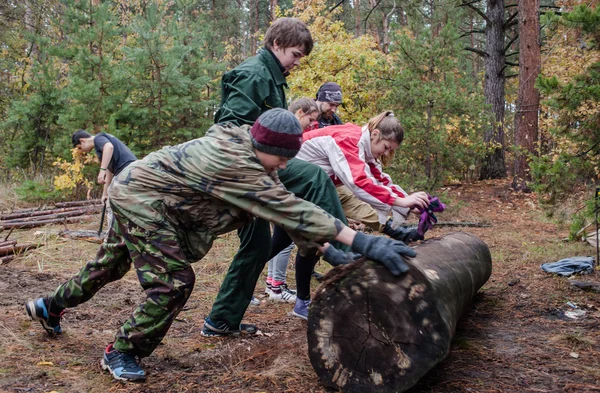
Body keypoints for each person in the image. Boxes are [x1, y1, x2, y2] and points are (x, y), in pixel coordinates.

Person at [25, 109, 417, 382]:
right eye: (281, 158)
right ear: (266, 146)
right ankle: (122, 350)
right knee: (174, 282)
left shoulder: (254, 152)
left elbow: (279, 203)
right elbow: (288, 207)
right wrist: (362, 240)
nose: (283, 166)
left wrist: (328, 251)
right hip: (140, 200)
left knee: (107, 266)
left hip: (144, 194)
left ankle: (49, 306)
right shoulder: (234, 161)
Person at [203, 17, 316, 332]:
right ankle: (220, 320)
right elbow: (230, 125)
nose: (296, 63)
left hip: (256, 173)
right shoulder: (254, 74)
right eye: (294, 55)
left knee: (256, 246)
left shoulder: (272, 75)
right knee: (312, 180)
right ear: (277, 44)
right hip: (241, 173)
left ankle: (222, 320)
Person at [295, 110, 430, 235]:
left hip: (309, 184)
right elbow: (358, 183)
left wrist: (411, 205)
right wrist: (401, 201)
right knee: (321, 237)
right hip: (293, 177)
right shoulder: (349, 141)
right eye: (386, 147)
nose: (386, 153)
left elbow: (381, 181)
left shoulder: (366, 148)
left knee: (304, 243)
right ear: (375, 134)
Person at [71, 130, 137, 227]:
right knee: (116, 202)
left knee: (114, 204)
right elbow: (109, 171)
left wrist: (101, 171)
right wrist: (105, 194)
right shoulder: (100, 147)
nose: (82, 151)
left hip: (127, 170)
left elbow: (109, 147)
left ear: (82, 140)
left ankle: (115, 236)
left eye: (80, 147)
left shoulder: (98, 138)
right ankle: (123, 232)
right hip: (128, 172)